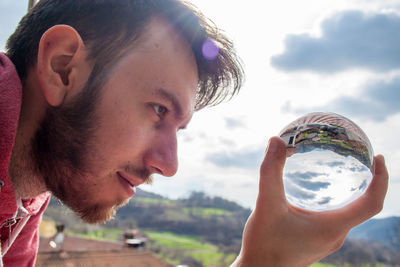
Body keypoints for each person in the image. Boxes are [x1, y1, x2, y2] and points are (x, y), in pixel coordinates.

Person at [0, 0, 388, 266]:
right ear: (63, 66)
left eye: (179, 129)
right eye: (158, 109)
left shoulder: (25, 201)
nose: (169, 166)